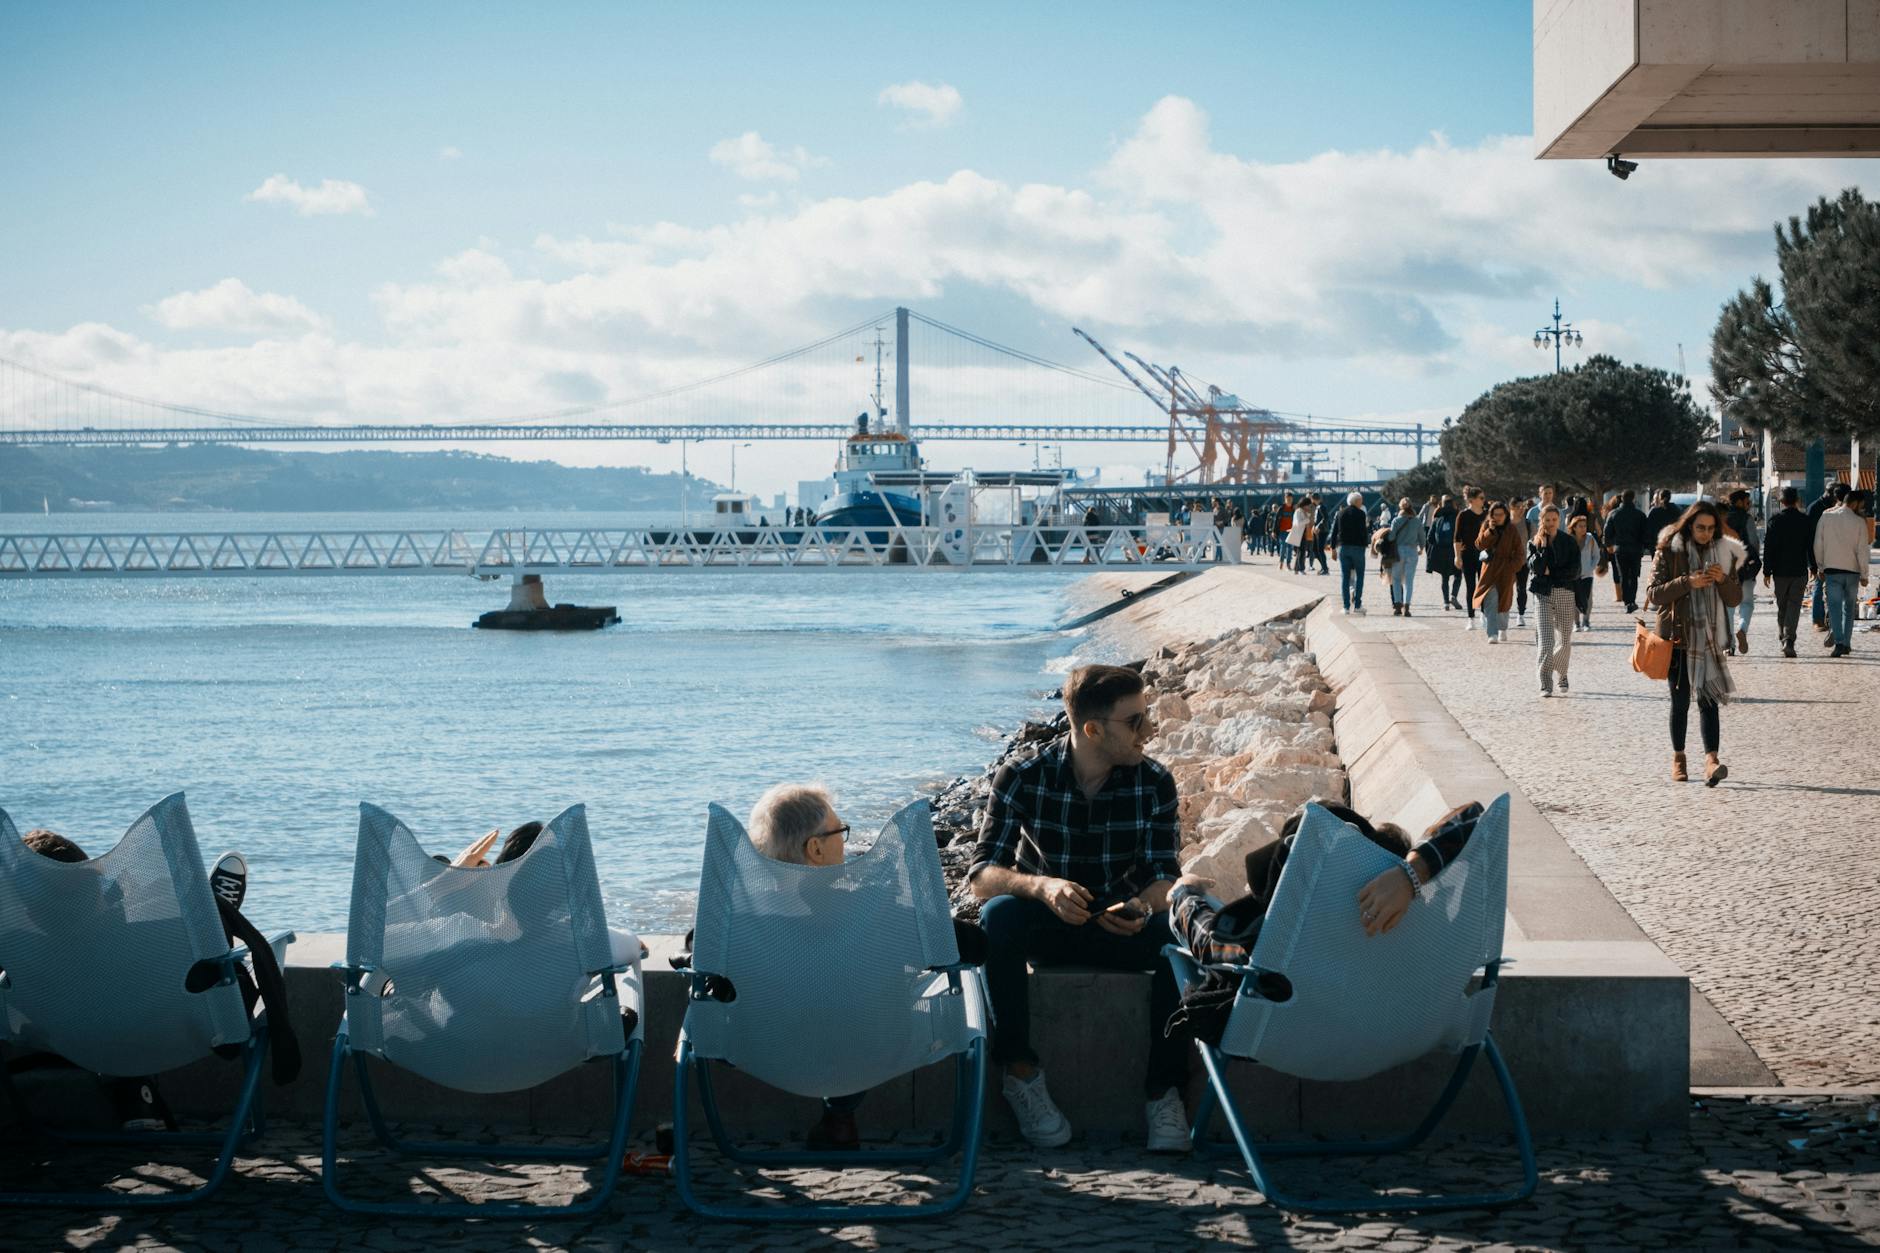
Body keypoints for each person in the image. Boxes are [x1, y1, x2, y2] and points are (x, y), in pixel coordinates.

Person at [969, 664, 1188, 1152]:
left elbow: (1165, 876)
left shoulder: (1155, 782)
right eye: (1136, 721)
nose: (1150, 731)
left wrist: (1140, 905)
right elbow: (983, 875)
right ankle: (1021, 1074)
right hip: (1049, 925)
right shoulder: (1023, 776)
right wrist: (1042, 887)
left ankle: (1164, 1092)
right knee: (996, 918)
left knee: (1180, 934)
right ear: (1092, 729)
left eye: (1146, 717)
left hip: (1124, 929)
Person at [1165, 800, 1486, 1042]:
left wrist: (1184, 895)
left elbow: (1211, 945)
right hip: (1398, 1037)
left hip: (1302, 1041)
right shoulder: (1412, 919)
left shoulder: (1280, 941)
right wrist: (1410, 875)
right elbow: (1475, 815)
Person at [7, 828, 252, 1131]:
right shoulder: (136, 941)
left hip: (59, 1038)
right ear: (91, 888)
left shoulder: (17, 947)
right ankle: (214, 917)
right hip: (157, 1032)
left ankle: (212, 918)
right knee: (193, 951)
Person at [1646, 501, 1740, 785]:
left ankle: (1712, 761)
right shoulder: (1668, 551)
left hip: (1709, 639)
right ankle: (1679, 758)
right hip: (1678, 638)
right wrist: (1686, 582)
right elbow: (1653, 594)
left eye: (1711, 529)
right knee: (1680, 702)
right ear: (1689, 525)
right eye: (1700, 528)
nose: (1706, 534)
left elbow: (1734, 598)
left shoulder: (1725, 553)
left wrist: (1722, 579)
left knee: (1709, 701)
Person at [1527, 503, 1580, 697]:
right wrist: (1542, 545)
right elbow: (1536, 567)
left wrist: (1553, 573)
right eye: (1547, 520)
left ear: (1560, 521)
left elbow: (1574, 571)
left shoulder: (1569, 542)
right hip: (1542, 594)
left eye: (1554, 520)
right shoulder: (1535, 542)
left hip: (1565, 592)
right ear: (1541, 520)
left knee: (1565, 640)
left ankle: (1562, 673)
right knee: (1547, 641)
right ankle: (1545, 682)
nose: (1550, 523)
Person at [1813, 489, 1872, 658]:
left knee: (1835, 608)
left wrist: (1821, 566)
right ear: (1854, 503)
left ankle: (1838, 643)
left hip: (1832, 571)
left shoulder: (1826, 517)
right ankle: (1846, 643)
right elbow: (1862, 550)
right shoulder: (1860, 522)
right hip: (1852, 572)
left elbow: (1818, 543)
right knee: (1849, 609)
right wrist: (1864, 575)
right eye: (1861, 504)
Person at [1761, 486, 1812, 658]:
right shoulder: (1805, 520)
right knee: (1794, 606)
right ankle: (1788, 640)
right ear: (1797, 500)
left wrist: (1766, 571)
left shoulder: (1774, 521)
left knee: (1782, 606)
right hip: (1799, 570)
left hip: (1780, 572)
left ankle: (1784, 637)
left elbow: (1769, 548)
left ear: (1781, 502)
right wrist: (1813, 566)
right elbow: (1810, 546)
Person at [1473, 501, 1523, 644]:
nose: (1499, 517)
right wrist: (1490, 531)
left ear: (1506, 514)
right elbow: (1479, 545)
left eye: (1501, 514)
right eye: (1496, 514)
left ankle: (1502, 629)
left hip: (1506, 570)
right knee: (1490, 599)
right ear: (1491, 515)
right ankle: (1492, 633)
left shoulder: (1512, 529)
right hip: (1489, 569)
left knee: (1504, 601)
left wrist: (1512, 567)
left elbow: (1520, 552)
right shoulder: (1486, 526)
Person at [1721, 490, 1761, 655]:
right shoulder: (1747, 519)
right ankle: (1742, 630)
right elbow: (1754, 543)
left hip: (1725, 569)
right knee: (1747, 603)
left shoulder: (1721, 519)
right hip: (1745, 568)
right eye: (1747, 501)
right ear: (1739, 502)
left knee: (1728, 607)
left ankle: (1729, 644)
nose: (1749, 504)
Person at [1806, 482, 1849, 635]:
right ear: (1831, 494)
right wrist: (1812, 563)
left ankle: (1830, 619)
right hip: (1819, 555)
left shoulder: (1833, 509)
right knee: (1818, 587)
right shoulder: (1815, 508)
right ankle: (1817, 620)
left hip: (1834, 554)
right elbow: (1810, 538)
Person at [1604, 490, 1651, 614]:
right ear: (1634, 498)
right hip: (1635, 549)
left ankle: (1627, 602)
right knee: (1634, 575)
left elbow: (1607, 532)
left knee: (1623, 576)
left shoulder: (1613, 513)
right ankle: (1632, 600)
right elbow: (1645, 533)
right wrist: (1644, 546)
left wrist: (1609, 545)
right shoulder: (1640, 515)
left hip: (1620, 549)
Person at [1386, 496, 1426, 616]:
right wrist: (1422, 548)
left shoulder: (1396, 520)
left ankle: (1398, 606)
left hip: (1398, 551)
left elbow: (1391, 537)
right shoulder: (1417, 521)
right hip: (1412, 551)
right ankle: (1407, 607)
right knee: (1409, 581)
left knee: (1396, 579)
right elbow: (1422, 537)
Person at [1454, 489, 1487, 630]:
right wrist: (1457, 556)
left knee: (1484, 587)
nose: (1483, 500)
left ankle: (1484, 615)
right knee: (1470, 587)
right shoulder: (1463, 515)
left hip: (1484, 556)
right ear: (1472, 500)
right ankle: (1471, 618)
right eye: (1481, 497)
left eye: (1483, 497)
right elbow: (1457, 538)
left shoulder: (1487, 515)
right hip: (1467, 555)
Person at [1333, 491, 1370, 614]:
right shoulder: (1361, 514)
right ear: (1356, 501)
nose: (1362, 503)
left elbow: (1334, 532)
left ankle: (1346, 607)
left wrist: (1333, 548)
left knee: (1345, 577)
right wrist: (1365, 545)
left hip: (1344, 548)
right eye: (1361, 501)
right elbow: (1363, 532)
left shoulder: (1340, 513)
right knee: (1359, 576)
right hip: (1358, 548)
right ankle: (1358, 605)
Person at [1568, 513, 1601, 630]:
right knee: (1573, 599)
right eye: (1580, 526)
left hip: (1587, 574)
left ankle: (1586, 621)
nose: (1583, 528)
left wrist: (1591, 567)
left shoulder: (1590, 538)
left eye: (1585, 526)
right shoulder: (1569, 540)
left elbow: (1596, 555)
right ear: (1574, 527)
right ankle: (1576, 623)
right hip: (1573, 575)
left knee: (1588, 598)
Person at [1427, 494, 1459, 610]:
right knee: (1458, 575)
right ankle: (1453, 595)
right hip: (1455, 551)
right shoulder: (1458, 518)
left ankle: (1446, 602)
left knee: (1444, 578)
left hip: (1441, 552)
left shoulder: (1437, 519)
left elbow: (1429, 538)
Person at [1508, 498, 1533, 626]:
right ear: (1511, 507)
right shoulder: (1505, 524)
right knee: (1505, 589)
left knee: (1521, 589)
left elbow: (1534, 542)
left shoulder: (1528, 524)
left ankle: (1521, 614)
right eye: (1518, 506)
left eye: (1522, 506)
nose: (1521, 509)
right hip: (1506, 563)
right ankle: (1504, 612)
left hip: (1523, 562)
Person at [1286, 494, 1313, 573]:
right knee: (1301, 552)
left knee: (1300, 552)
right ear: (1304, 504)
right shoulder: (1298, 511)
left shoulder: (1303, 511)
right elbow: (1298, 523)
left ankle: (1297, 569)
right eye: (1308, 505)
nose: (1309, 507)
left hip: (1302, 534)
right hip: (1299, 534)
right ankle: (1301, 569)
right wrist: (1307, 519)